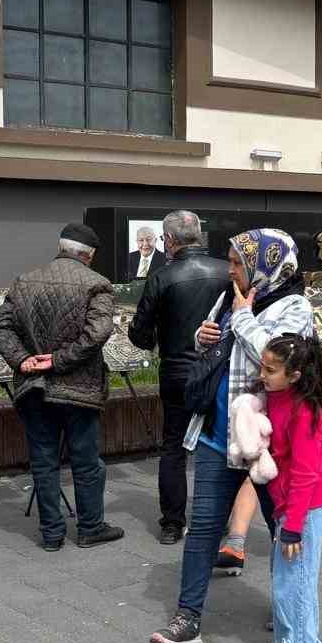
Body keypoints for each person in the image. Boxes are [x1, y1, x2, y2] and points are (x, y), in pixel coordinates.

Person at [150, 228, 313, 643]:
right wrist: (203, 336)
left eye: (239, 262)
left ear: (267, 264)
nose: (231, 269)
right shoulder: (230, 295)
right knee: (203, 528)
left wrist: (240, 319)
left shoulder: (294, 306)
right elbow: (218, 351)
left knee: (283, 531)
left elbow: (273, 357)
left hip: (266, 445)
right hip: (215, 435)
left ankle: (289, 616)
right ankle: (187, 619)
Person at [0, 223, 124, 551]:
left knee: (44, 461)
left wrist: (23, 359)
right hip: (79, 389)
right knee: (86, 462)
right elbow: (96, 334)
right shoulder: (97, 284)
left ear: (61, 248)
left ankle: (51, 533)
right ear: (89, 256)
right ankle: (90, 527)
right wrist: (59, 359)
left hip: (34, 387)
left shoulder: (25, 281)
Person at [128, 210, 231, 543]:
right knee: (221, 445)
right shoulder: (226, 272)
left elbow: (140, 332)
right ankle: (220, 517)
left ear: (168, 240)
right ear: (198, 235)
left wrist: (156, 338)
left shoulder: (161, 277)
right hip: (219, 371)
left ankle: (172, 523)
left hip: (176, 372)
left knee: (173, 448)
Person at [253, 334, 322, 643]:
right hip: (290, 504)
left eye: (271, 370)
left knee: (292, 586)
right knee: (291, 580)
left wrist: (293, 527)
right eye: (263, 366)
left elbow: (306, 473)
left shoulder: (305, 412)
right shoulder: (277, 396)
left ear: (295, 375)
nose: (263, 374)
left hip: (302, 506)